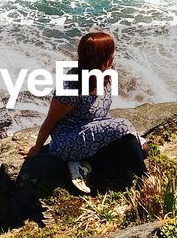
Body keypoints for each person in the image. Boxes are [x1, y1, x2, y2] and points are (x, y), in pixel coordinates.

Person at [24, 31, 146, 194]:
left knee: (140, 148)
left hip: (93, 132)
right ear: (101, 56)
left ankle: (83, 163)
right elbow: (51, 120)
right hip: (69, 138)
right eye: (111, 52)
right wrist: (37, 148)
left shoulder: (107, 73)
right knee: (124, 126)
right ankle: (145, 178)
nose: (114, 55)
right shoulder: (71, 85)